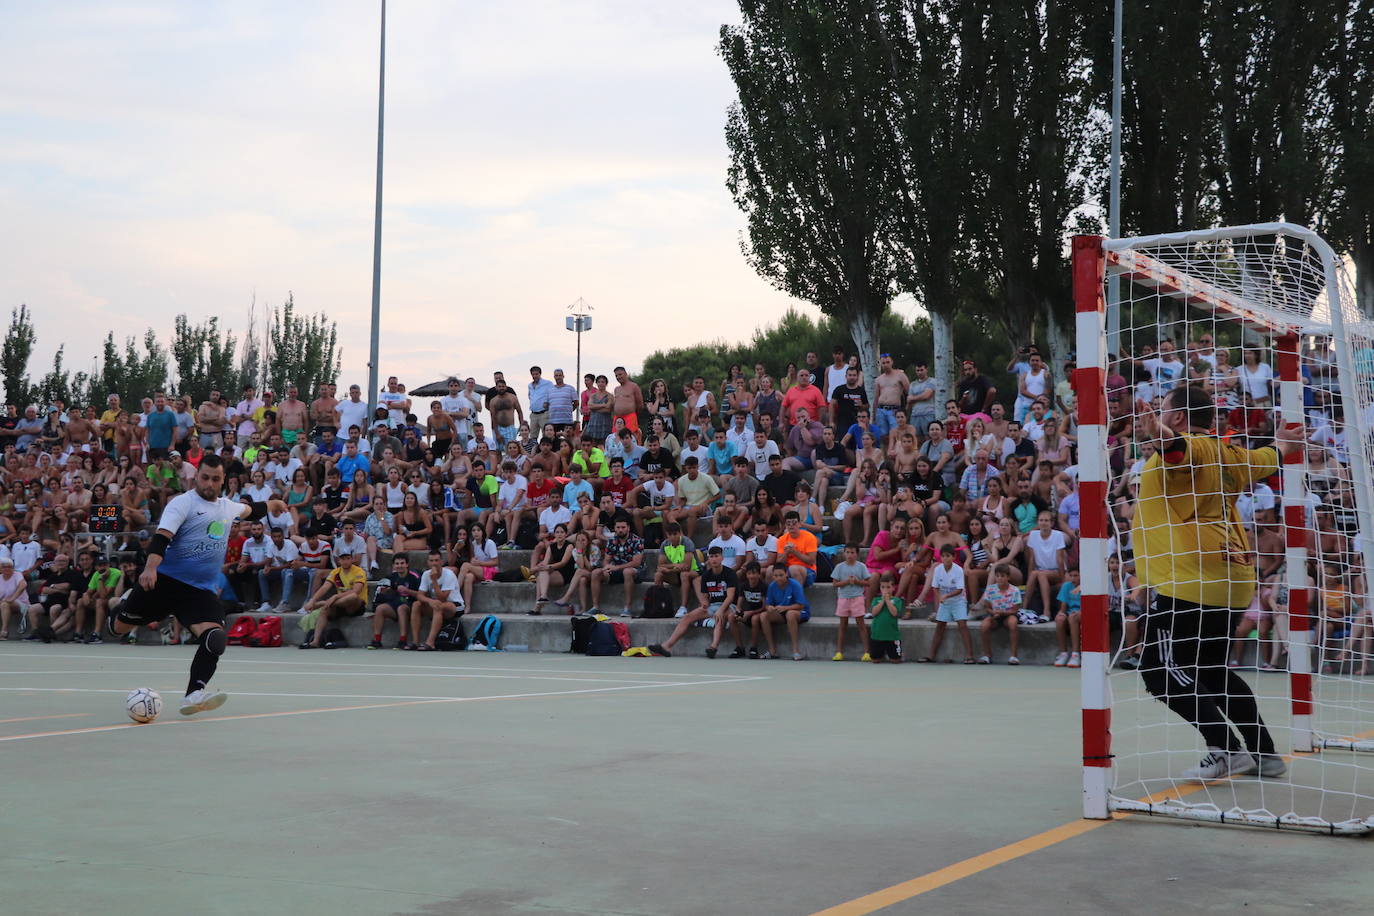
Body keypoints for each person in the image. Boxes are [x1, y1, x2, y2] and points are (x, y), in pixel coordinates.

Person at [1133, 383, 1299, 781]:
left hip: (1191, 579)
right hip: (1233, 578)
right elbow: (1269, 457)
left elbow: (1175, 449)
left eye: (1164, 409)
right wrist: (1281, 445)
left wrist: (1157, 433)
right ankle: (1266, 754)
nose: (1160, 414)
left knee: (1157, 670)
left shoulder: (1194, 446)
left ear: (1176, 417)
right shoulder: (1233, 453)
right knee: (1211, 670)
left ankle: (1224, 748)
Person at [109, 455, 287, 714]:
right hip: (162, 583)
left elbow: (251, 509)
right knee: (118, 627)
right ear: (196, 477)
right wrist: (149, 568)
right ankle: (120, 606)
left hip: (198, 591)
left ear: (223, 480)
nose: (209, 483)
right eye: (205, 477)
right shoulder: (182, 503)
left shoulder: (228, 507)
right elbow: (161, 538)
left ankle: (193, 694)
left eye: (215, 479)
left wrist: (274, 504)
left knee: (215, 637)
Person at [651, 546, 737, 658]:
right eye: (711, 557)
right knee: (687, 617)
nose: (714, 559)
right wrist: (704, 603)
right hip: (713, 606)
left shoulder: (730, 573)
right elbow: (706, 596)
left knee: (719, 617)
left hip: (729, 606)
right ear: (708, 559)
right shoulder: (706, 575)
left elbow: (730, 597)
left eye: (717, 556)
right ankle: (667, 646)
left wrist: (720, 610)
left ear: (722, 558)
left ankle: (713, 647)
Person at [299, 550, 367, 649]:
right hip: (339, 605)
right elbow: (325, 587)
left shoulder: (359, 571)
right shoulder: (335, 572)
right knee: (325, 610)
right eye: (343, 559)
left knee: (353, 597)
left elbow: (355, 591)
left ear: (352, 560)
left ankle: (324, 603)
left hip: (355, 606)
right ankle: (315, 641)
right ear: (339, 561)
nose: (346, 561)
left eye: (348, 558)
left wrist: (335, 596)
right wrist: (312, 600)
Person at [920, 546, 973, 663]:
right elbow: (935, 587)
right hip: (944, 602)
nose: (945, 558)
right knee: (940, 626)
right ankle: (931, 655)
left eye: (948, 556)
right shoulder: (937, 569)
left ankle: (970, 656)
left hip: (958, 601)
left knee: (962, 625)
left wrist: (946, 596)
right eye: (943, 556)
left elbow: (960, 589)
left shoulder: (958, 570)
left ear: (953, 557)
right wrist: (940, 598)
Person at [753, 564, 810, 660]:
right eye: (775, 576)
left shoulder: (795, 585)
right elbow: (767, 604)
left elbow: (801, 605)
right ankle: (772, 651)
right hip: (781, 613)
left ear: (786, 574)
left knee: (790, 614)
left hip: (799, 612)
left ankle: (796, 651)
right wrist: (770, 607)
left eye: (781, 575)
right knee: (763, 616)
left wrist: (785, 608)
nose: (778, 578)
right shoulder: (772, 586)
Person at [410, 550, 463, 651]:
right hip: (436, 604)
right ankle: (415, 642)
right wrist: (430, 601)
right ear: (428, 562)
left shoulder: (449, 574)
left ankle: (430, 643)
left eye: (436, 560)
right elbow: (420, 595)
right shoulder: (426, 574)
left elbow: (443, 598)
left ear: (441, 562)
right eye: (431, 561)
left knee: (438, 604)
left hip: (455, 605)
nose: (434, 563)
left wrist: (434, 580)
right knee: (417, 605)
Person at [368, 553, 420, 649]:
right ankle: (377, 640)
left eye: (402, 563)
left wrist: (407, 591)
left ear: (407, 564)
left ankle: (403, 641)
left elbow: (422, 595)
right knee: (380, 609)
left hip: (411, 605)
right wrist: (386, 591)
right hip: (397, 602)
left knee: (401, 608)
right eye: (397, 563)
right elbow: (392, 591)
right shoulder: (393, 576)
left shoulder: (415, 576)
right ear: (393, 565)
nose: (399, 566)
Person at [830, 543, 872, 662]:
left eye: (852, 552)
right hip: (843, 599)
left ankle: (866, 652)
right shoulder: (839, 567)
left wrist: (857, 582)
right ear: (844, 553)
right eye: (847, 552)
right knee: (842, 626)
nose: (850, 555)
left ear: (857, 554)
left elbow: (868, 583)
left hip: (857, 598)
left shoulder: (861, 566)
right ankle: (839, 652)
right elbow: (835, 584)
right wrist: (847, 582)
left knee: (861, 625)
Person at [976, 564, 1023, 664]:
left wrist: (1002, 613)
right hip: (994, 616)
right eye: (997, 576)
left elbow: (1015, 610)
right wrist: (993, 613)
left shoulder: (1015, 590)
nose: (999, 578)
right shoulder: (990, 589)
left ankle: (1013, 656)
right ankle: (987, 655)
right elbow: (987, 607)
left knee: (1013, 623)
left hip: (1009, 615)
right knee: (984, 625)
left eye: (1002, 576)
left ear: (1008, 577)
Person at [868, 572, 904, 663]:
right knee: (875, 660)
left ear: (893, 588)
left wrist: (888, 601)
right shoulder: (876, 600)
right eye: (883, 587)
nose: (885, 590)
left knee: (896, 660)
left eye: (888, 587)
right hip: (877, 635)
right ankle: (880, 654)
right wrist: (882, 601)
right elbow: (874, 612)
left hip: (892, 636)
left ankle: (894, 653)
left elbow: (894, 613)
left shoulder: (897, 600)